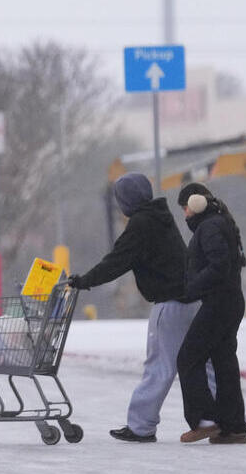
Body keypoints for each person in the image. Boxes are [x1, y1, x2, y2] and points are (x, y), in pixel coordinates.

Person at [68, 172, 201, 443]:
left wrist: (84, 281)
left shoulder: (141, 223)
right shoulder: (161, 217)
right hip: (193, 300)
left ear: (127, 201)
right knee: (202, 362)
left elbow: (117, 261)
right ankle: (214, 419)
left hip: (170, 304)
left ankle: (141, 426)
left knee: (159, 366)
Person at [176, 183, 246, 444]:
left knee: (188, 357)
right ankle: (234, 427)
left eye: (185, 208)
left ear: (196, 204)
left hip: (218, 303)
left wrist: (191, 289)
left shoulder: (209, 227)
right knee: (224, 362)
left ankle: (205, 420)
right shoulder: (220, 222)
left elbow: (219, 265)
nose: (185, 215)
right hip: (230, 301)